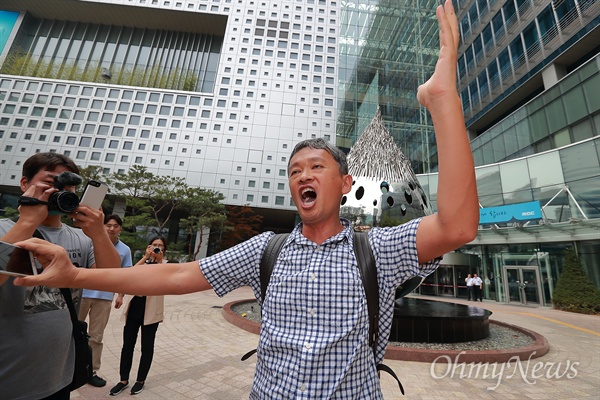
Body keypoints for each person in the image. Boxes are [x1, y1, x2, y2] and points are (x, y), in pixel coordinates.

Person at [13, 2, 479, 398]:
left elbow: (457, 226)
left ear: (345, 184)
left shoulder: (378, 250)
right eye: (295, 171)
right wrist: (75, 274)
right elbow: (176, 274)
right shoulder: (266, 251)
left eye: (317, 166)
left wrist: (443, 100)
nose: (303, 176)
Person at [0, 152, 120, 400]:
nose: (58, 192)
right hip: (9, 378)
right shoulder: (3, 229)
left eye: (67, 187)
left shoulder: (79, 237)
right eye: (50, 182)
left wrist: (98, 233)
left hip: (59, 376)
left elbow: (112, 277)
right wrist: (27, 222)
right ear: (25, 184)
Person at [78, 214, 133, 388]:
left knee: (96, 337)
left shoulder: (124, 249)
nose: (111, 228)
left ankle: (91, 372)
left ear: (120, 229)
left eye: (115, 225)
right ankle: (70, 369)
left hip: (103, 297)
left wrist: (120, 295)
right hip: (82, 294)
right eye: (108, 225)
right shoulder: (89, 242)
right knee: (72, 332)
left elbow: (126, 274)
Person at [109, 237, 166, 396]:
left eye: (160, 246)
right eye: (154, 245)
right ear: (148, 247)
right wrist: (146, 257)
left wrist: (159, 260)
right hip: (134, 308)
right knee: (127, 345)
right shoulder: (144, 263)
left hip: (151, 312)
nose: (156, 248)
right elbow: (130, 274)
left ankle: (140, 380)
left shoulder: (166, 265)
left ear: (164, 249)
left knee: (147, 347)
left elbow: (164, 278)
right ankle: (123, 380)